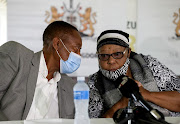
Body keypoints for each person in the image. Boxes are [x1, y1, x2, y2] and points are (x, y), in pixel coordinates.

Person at [88, 30, 180, 118]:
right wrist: (123, 102)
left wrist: (146, 94)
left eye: (117, 54)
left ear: (128, 52)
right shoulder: (95, 82)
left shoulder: (147, 64)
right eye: (104, 56)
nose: (111, 61)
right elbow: (94, 121)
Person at [0, 21, 82, 121]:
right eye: (76, 49)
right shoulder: (17, 58)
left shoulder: (70, 86)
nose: (79, 55)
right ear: (57, 44)